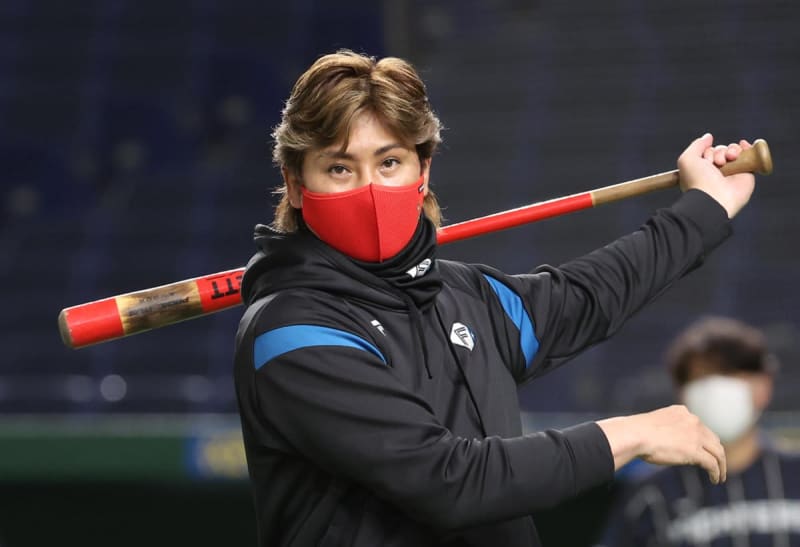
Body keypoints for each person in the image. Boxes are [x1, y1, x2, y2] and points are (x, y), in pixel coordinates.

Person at [232, 49, 757, 547]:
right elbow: (450, 482)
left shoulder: (465, 295)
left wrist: (705, 209)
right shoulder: (290, 331)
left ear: (423, 171)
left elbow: (590, 294)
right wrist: (629, 434)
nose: (370, 190)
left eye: (389, 162)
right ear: (296, 184)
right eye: (340, 168)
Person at [600, 317, 800, 547]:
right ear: (682, 394)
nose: (716, 389)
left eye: (728, 374)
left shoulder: (794, 473)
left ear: (763, 386)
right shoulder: (651, 495)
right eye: (702, 377)